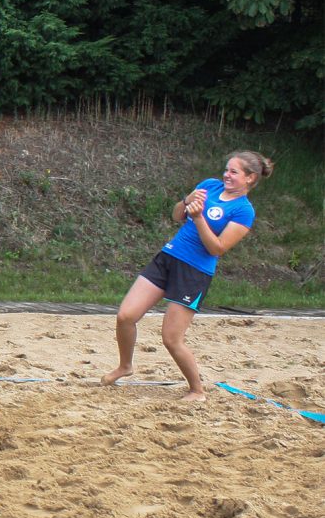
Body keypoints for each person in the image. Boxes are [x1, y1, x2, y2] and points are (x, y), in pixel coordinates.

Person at [101, 151, 274, 401]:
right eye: (226, 169)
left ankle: (197, 390)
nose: (226, 175)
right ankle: (125, 366)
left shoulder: (243, 210)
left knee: (171, 338)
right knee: (125, 316)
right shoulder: (209, 186)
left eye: (234, 172)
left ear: (250, 178)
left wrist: (199, 218)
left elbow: (218, 248)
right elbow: (176, 215)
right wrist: (186, 201)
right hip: (168, 258)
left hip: (194, 272)